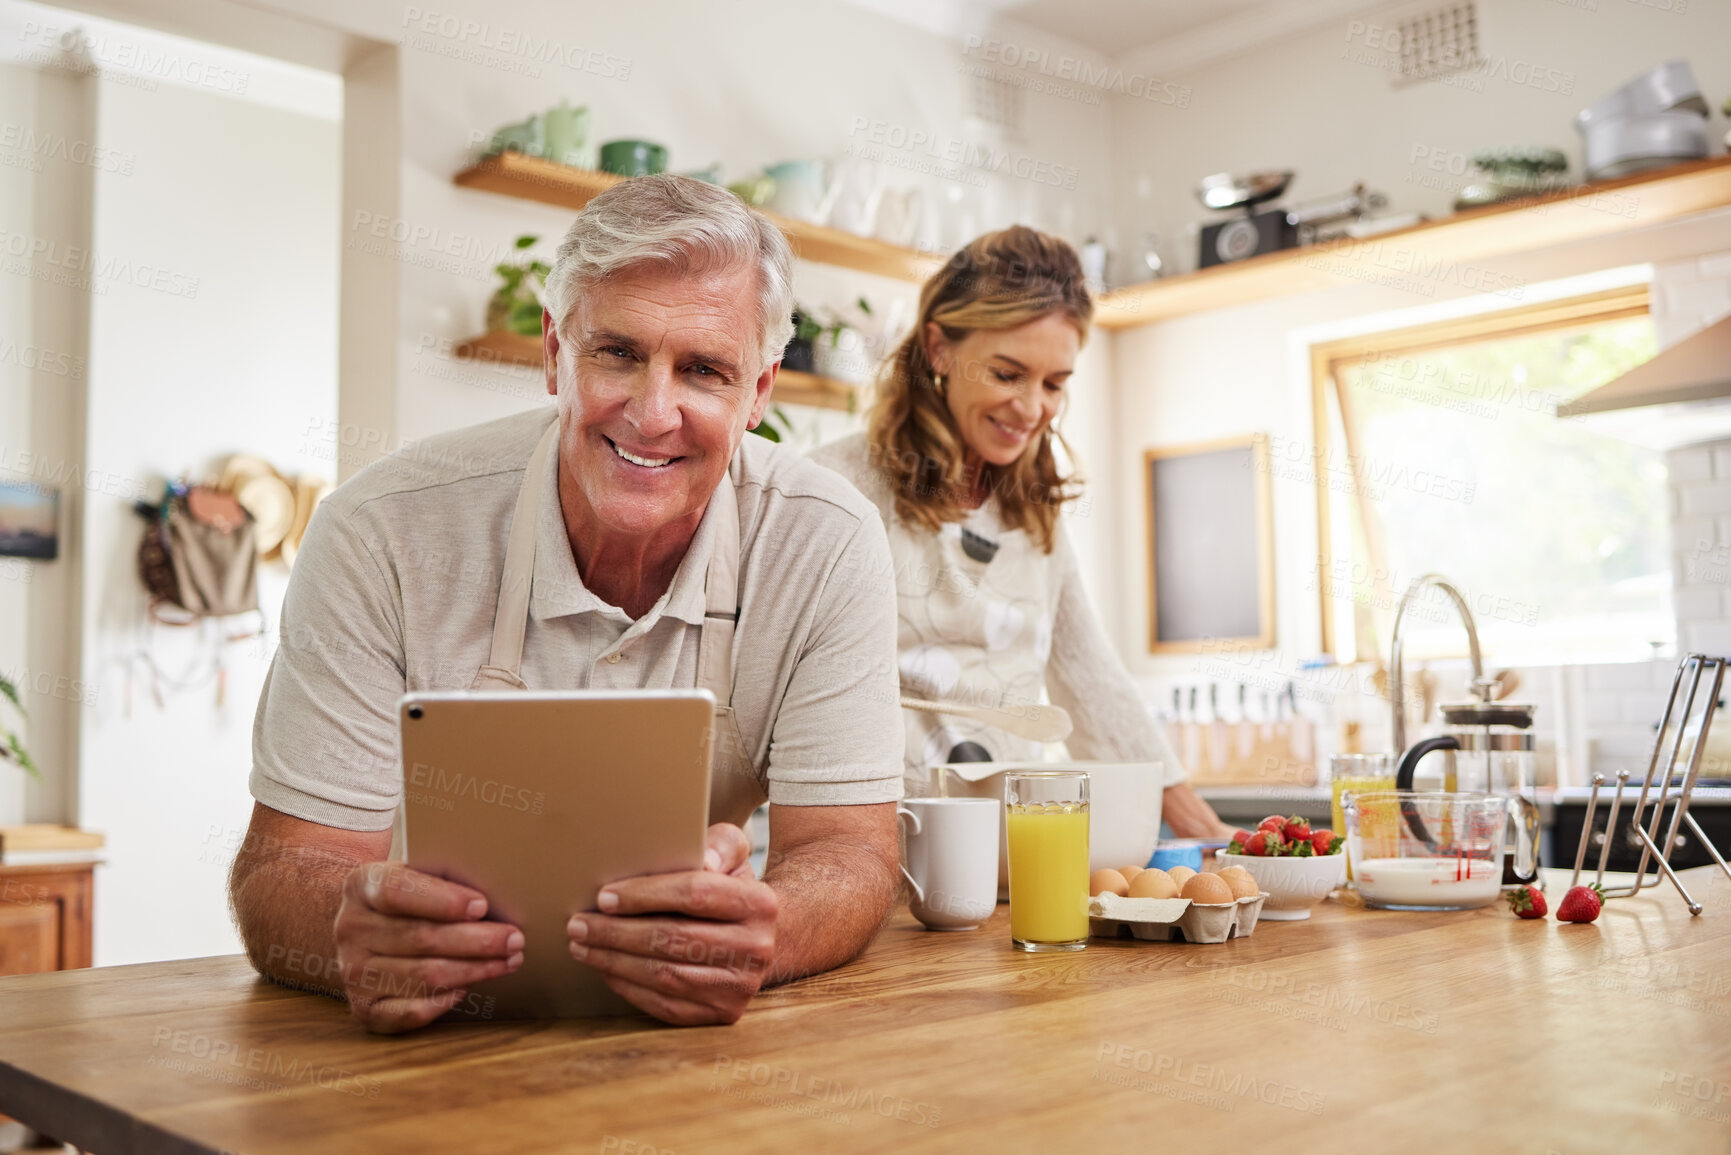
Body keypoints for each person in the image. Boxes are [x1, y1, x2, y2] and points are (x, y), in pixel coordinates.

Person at [229, 175, 905, 1032]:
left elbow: (847, 850)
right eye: (616, 353)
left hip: (688, 1049)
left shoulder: (828, 541)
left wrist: (767, 937)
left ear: (760, 392)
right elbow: (281, 869)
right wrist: (342, 931)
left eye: (702, 369)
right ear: (554, 352)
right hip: (432, 1042)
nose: (653, 413)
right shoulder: (377, 533)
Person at [810, 226, 1234, 839]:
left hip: (1010, 863)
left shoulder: (1033, 512)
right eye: (1008, 374)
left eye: (1055, 384)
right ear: (939, 350)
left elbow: (1089, 677)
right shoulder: (834, 489)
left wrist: (1211, 834)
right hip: (869, 861)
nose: (1033, 408)